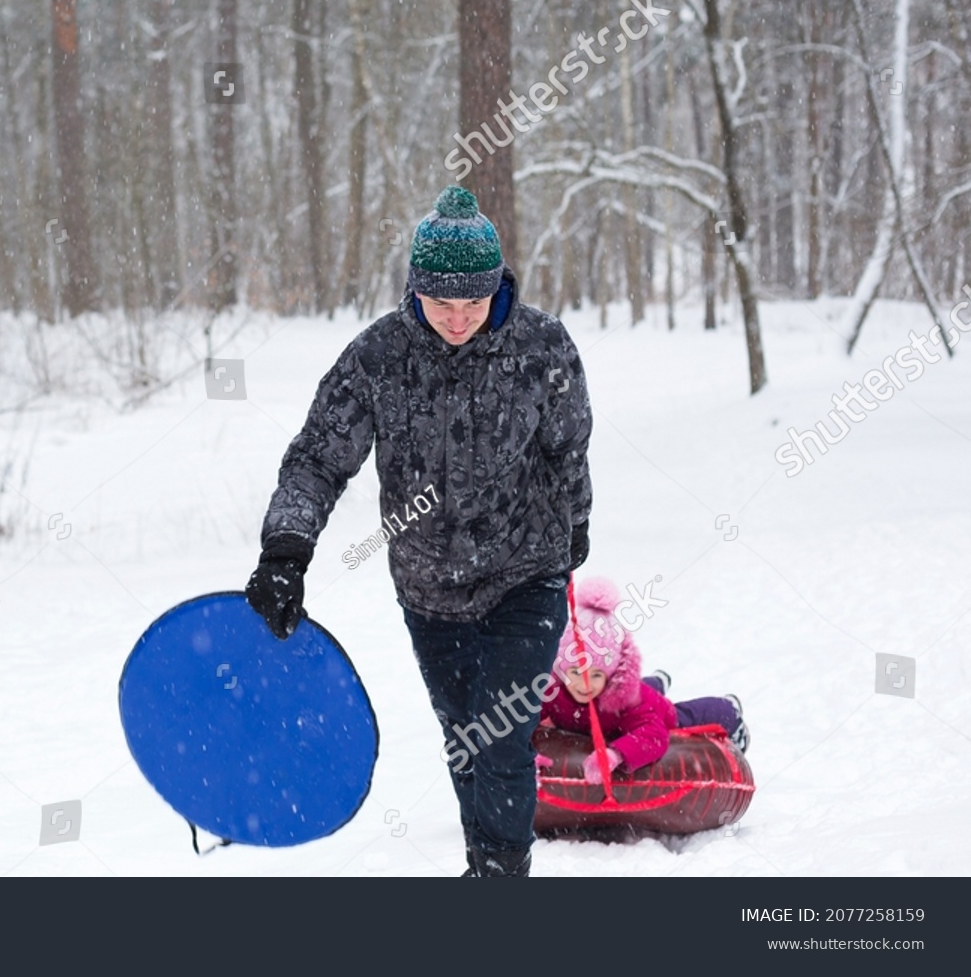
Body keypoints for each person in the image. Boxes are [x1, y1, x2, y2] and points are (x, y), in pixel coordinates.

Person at [245, 185, 592, 877]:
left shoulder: (541, 346)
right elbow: (318, 457)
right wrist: (286, 548)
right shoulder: (378, 358)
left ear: (497, 286)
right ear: (415, 290)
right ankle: (484, 860)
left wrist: (574, 528)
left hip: (527, 571)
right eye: (443, 304)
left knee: (499, 737)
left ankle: (499, 875)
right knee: (465, 737)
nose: (459, 319)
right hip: (429, 585)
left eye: (474, 302)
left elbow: (567, 447)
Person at [544, 575, 749, 784]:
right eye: (576, 673)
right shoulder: (553, 691)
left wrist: (617, 754)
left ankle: (728, 708)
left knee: (680, 715)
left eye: (596, 674)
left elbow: (653, 735)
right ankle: (657, 681)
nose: (585, 684)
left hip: (650, 706)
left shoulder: (624, 699)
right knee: (645, 687)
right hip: (619, 702)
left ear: (614, 674)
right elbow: (527, 715)